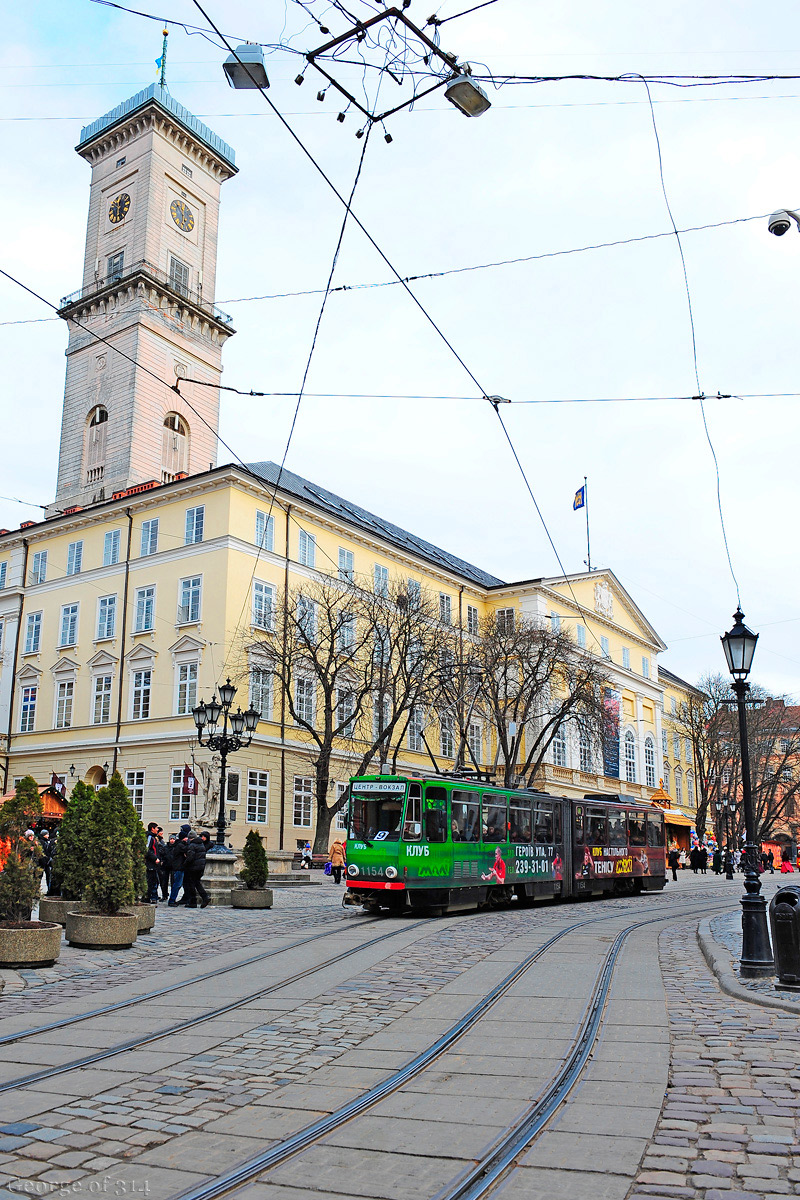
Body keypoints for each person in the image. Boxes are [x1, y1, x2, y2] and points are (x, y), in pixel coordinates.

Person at [183, 832, 210, 908]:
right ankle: (205, 897)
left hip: (193, 867)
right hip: (201, 867)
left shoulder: (192, 845)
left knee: (191, 884)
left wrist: (185, 864)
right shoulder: (201, 844)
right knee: (197, 883)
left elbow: (190, 857)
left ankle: (193, 901)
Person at [168, 826, 191, 906]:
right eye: (185, 838)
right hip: (179, 867)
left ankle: (172, 900)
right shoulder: (180, 845)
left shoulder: (178, 844)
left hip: (178, 867)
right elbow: (187, 849)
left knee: (177, 884)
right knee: (177, 885)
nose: (187, 839)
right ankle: (172, 900)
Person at [145, 822, 161, 903]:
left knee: (154, 881)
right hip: (150, 863)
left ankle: (152, 896)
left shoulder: (153, 837)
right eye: (156, 828)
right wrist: (155, 858)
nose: (157, 830)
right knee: (151, 881)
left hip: (153, 864)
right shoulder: (150, 837)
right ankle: (149, 897)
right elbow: (147, 849)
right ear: (152, 829)